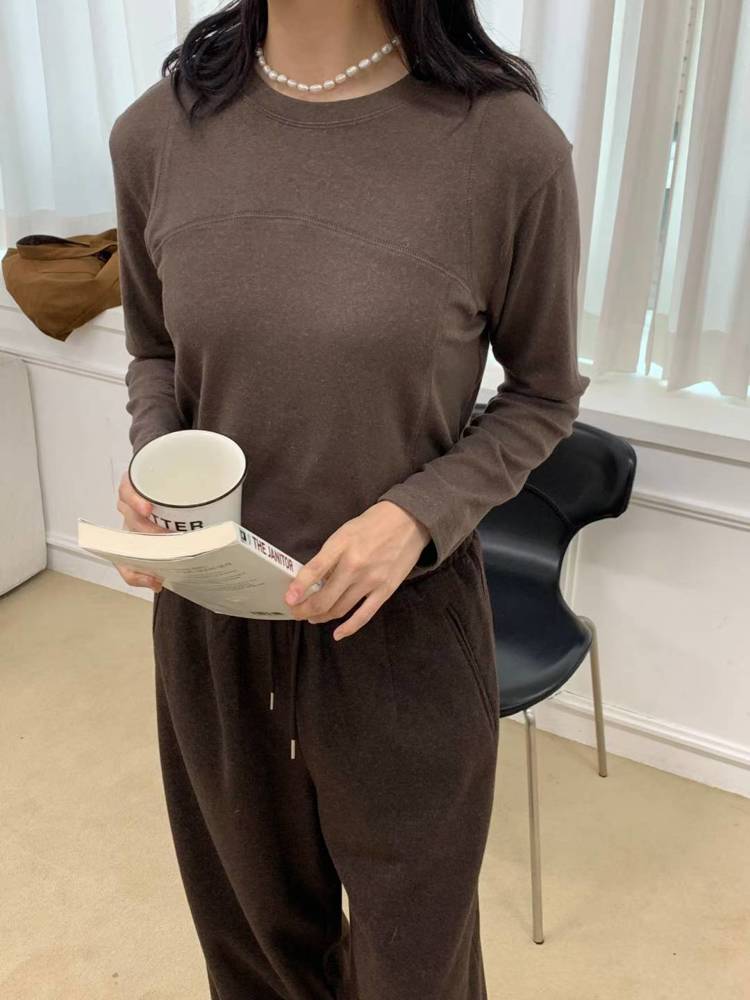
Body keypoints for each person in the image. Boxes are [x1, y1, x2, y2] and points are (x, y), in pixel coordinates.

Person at [109, 0, 590, 997]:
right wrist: (159, 462)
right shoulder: (157, 133)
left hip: (404, 632)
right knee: (254, 957)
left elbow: (543, 394)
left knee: (416, 969)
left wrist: (417, 514)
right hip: (213, 629)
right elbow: (154, 349)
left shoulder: (508, 149)